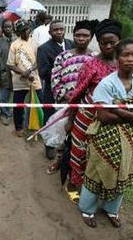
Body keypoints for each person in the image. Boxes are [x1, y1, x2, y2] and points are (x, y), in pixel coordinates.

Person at [79, 39, 133, 228]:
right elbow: (104, 117)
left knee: (123, 172)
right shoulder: (106, 84)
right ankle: (87, 210)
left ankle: (112, 209)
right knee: (96, 173)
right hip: (104, 137)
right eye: (125, 55)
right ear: (117, 58)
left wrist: (119, 110)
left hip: (129, 139)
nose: (130, 59)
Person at [65, 19, 122, 203]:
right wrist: (70, 120)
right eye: (103, 42)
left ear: (119, 41)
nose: (107, 46)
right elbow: (77, 94)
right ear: (98, 42)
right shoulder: (90, 65)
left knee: (101, 155)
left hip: (112, 119)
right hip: (86, 116)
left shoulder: (123, 65)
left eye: (112, 42)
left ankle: (96, 189)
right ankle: (74, 184)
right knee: (80, 152)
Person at [44, 20, 99, 174]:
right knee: (63, 135)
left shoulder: (96, 57)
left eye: (85, 35)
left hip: (88, 107)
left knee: (83, 138)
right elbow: (55, 79)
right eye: (78, 35)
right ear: (73, 36)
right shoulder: (62, 57)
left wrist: (86, 100)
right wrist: (67, 97)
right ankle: (59, 162)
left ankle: (79, 169)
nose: (81, 38)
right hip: (66, 105)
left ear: (91, 37)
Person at [6, 19, 43, 137]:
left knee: (40, 102)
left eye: (26, 29)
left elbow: (39, 60)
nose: (24, 32)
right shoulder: (14, 45)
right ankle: (19, 127)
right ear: (18, 32)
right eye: (21, 31)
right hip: (19, 81)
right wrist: (22, 72)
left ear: (29, 29)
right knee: (18, 105)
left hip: (34, 78)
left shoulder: (35, 43)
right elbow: (10, 64)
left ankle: (40, 125)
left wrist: (30, 71)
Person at [37, 20, 74, 131]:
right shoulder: (43, 49)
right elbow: (43, 72)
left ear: (65, 30)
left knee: (68, 118)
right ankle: (48, 145)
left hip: (71, 90)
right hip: (51, 90)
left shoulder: (72, 44)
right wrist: (63, 75)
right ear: (50, 32)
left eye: (61, 29)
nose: (59, 32)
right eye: (55, 30)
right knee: (50, 118)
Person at [0, 19, 15, 126]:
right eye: (6, 27)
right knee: (3, 97)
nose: (8, 29)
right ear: (2, 28)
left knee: (15, 96)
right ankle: (5, 114)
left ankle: (13, 113)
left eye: (10, 26)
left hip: (16, 75)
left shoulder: (16, 40)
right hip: (3, 75)